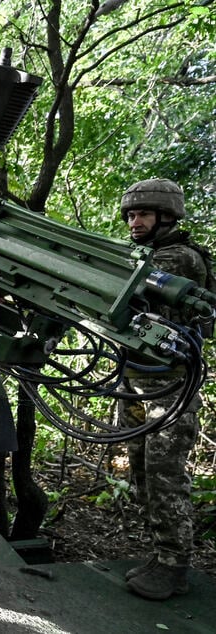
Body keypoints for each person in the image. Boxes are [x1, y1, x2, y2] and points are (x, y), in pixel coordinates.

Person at [117, 178, 212, 600]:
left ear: (167, 218)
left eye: (143, 215)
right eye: (132, 215)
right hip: (138, 382)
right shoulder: (147, 254)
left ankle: (174, 565)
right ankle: (160, 555)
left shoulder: (180, 258)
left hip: (170, 388)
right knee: (140, 471)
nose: (135, 222)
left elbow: (128, 285)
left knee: (164, 477)